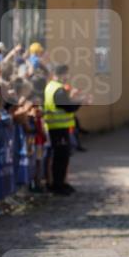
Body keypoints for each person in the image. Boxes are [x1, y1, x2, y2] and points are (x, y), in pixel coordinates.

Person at [42, 64, 84, 195]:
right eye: (66, 74)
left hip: (56, 127)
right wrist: (79, 100)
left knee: (60, 156)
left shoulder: (50, 87)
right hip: (59, 128)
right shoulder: (58, 89)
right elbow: (68, 107)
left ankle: (60, 183)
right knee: (61, 157)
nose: (67, 77)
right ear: (61, 74)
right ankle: (58, 185)